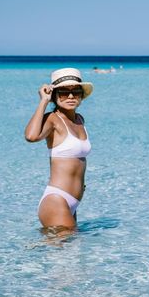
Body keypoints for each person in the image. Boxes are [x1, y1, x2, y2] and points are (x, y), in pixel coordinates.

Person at [24, 68, 94, 230]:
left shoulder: (79, 119)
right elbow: (31, 137)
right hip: (57, 200)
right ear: (55, 96)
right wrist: (43, 101)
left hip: (73, 202)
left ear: (81, 95)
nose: (70, 96)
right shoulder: (53, 119)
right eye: (63, 92)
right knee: (67, 250)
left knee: (67, 252)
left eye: (75, 91)